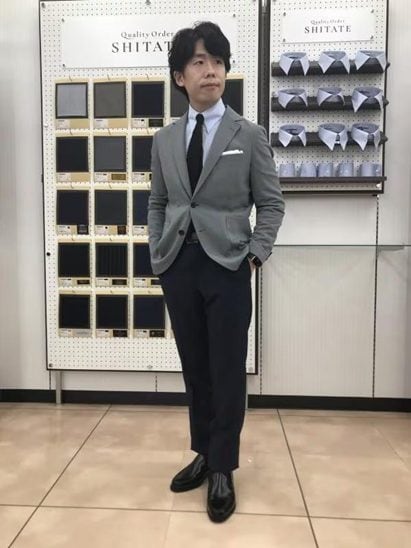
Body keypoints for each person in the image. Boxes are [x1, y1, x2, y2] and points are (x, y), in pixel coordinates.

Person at [148, 21, 285, 523]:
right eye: (199, 62)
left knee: (227, 370)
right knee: (196, 368)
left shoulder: (248, 135)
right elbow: (158, 202)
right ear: (180, 76)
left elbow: (271, 205)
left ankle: (224, 466)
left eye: (219, 62)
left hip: (228, 267)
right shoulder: (164, 140)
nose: (211, 71)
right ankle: (204, 452)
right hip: (179, 267)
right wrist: (157, 254)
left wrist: (255, 255)